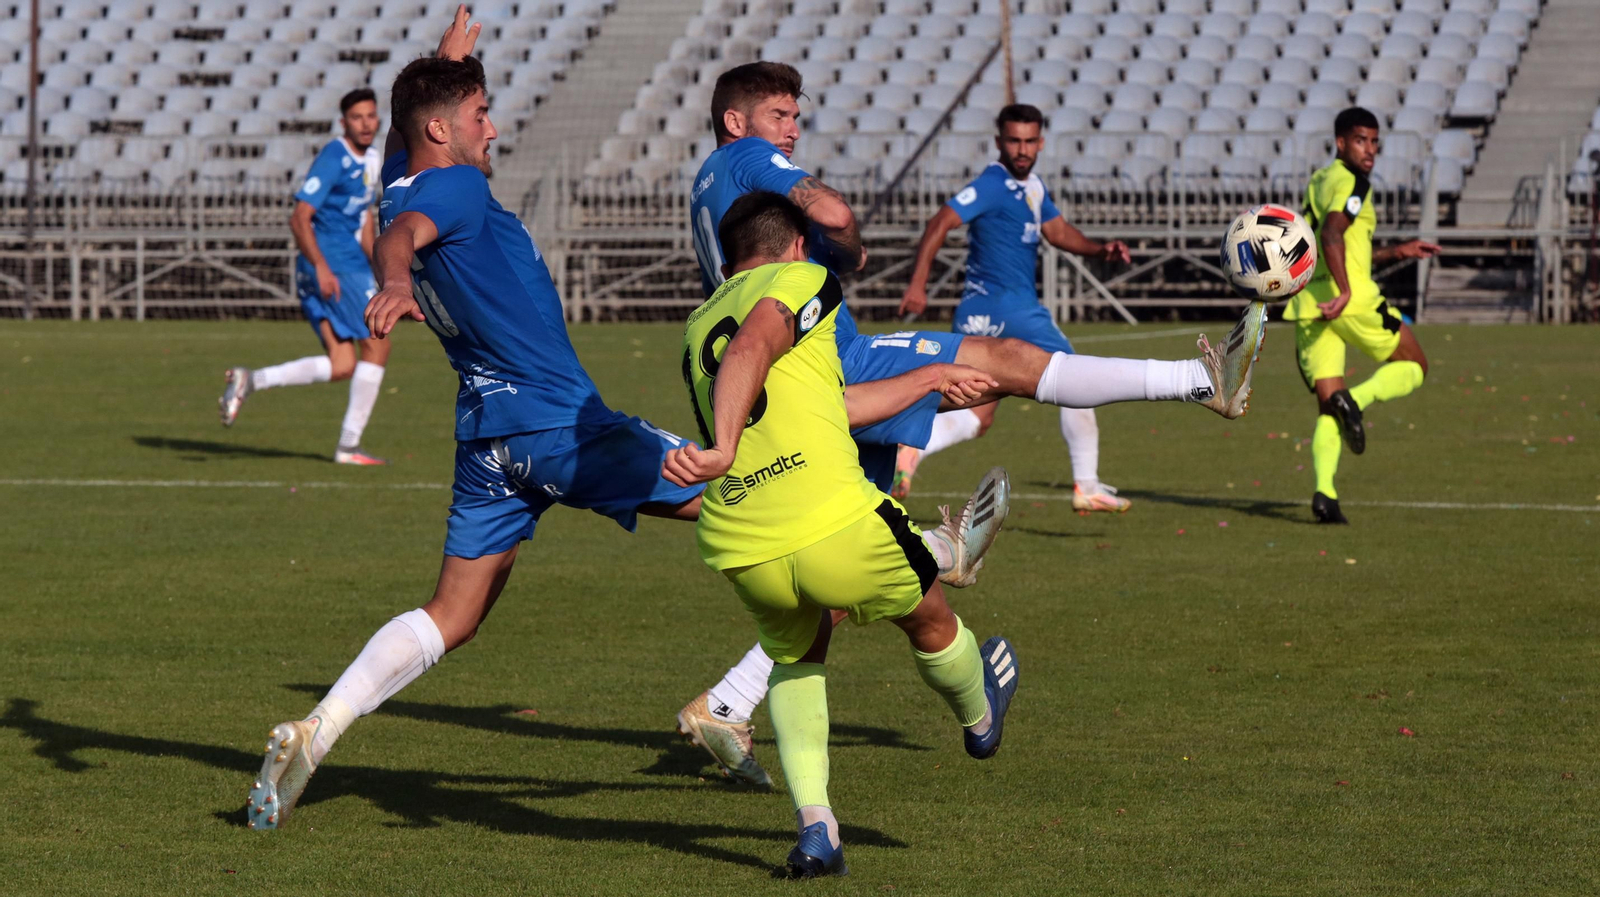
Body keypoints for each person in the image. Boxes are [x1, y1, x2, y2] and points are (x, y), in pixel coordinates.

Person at [244, 10, 1005, 830]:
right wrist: (389, 279)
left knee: (453, 615)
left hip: (487, 436)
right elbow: (405, 234)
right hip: (564, 427)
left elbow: (405, 188)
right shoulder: (451, 188)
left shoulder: (401, 168)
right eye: (478, 116)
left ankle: (318, 726)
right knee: (757, 492)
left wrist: (446, 59)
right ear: (440, 128)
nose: (493, 128)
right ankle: (929, 554)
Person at [676, 61, 1273, 784]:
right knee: (1009, 359)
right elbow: (830, 213)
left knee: (838, 575)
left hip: (786, 388)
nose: (792, 128)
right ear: (736, 122)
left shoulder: (705, 189)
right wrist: (851, 250)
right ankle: (1200, 380)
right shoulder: (742, 157)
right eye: (778, 114)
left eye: (796, 115)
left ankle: (733, 699)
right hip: (829, 357)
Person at [665, 190, 1021, 878]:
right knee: (930, 614)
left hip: (747, 542)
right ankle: (980, 714)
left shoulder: (697, 324)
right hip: (832, 516)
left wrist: (929, 378)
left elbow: (832, 402)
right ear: (796, 244)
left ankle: (817, 831)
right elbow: (757, 342)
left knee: (800, 656)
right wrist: (720, 447)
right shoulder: (803, 280)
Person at [896, 104, 1141, 510]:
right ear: (999, 142)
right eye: (1014, 140)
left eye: (1029, 141)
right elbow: (939, 222)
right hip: (1013, 311)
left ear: (1041, 142)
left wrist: (1101, 249)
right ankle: (1087, 485)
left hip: (976, 313)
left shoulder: (1033, 187)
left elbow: (1058, 232)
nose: (1022, 149)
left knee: (978, 413)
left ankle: (912, 450)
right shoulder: (993, 184)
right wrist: (918, 285)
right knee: (1076, 377)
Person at [218, 88, 390, 465]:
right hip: (333, 264)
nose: (366, 123)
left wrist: (381, 265)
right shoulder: (335, 155)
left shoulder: (374, 159)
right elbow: (299, 217)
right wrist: (323, 267)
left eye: (371, 116)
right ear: (344, 123)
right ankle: (348, 446)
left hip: (348, 263)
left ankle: (252, 380)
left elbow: (362, 218)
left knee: (343, 363)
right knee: (378, 342)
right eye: (357, 117)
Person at [1290, 106, 1440, 524]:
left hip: (1309, 303)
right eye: (1361, 140)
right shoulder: (1354, 181)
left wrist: (1396, 251)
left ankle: (1325, 494)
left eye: (1375, 141)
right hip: (1348, 300)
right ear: (1341, 142)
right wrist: (1348, 291)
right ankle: (1354, 399)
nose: (1370, 149)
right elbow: (1332, 232)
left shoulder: (1320, 180)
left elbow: (1338, 242)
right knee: (1415, 365)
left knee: (1327, 410)